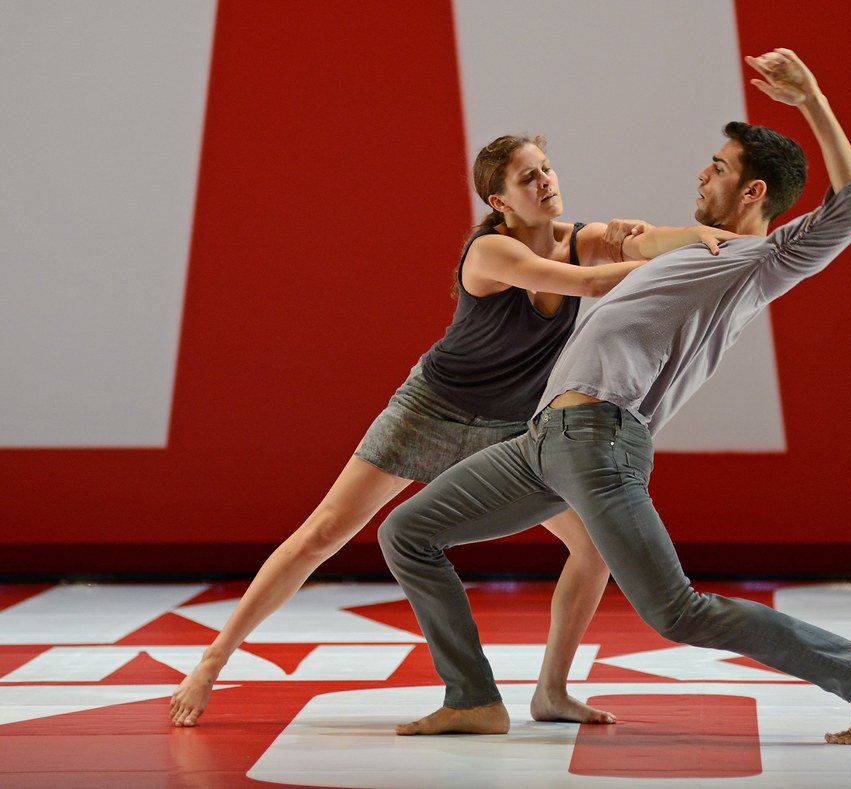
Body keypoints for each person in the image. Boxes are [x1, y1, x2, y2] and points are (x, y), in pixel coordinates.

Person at [378, 48, 851, 744]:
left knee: (674, 610)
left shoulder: (758, 259)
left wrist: (810, 99)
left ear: (751, 193)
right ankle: (472, 696)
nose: (701, 172)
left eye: (717, 167)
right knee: (406, 532)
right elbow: (631, 248)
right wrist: (632, 242)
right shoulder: (687, 248)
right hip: (541, 443)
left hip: (598, 440)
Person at [169, 132, 735, 727]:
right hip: (431, 411)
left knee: (593, 548)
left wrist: (692, 237)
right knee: (324, 532)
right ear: (499, 201)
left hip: (512, 429)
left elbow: (642, 239)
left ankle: (552, 692)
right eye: (528, 178)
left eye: (546, 169)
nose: (546, 182)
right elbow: (595, 284)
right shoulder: (490, 253)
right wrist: (687, 253)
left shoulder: (579, 240)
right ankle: (210, 661)